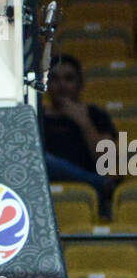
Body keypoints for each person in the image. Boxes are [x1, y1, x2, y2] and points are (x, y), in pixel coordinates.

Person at [42, 54, 116, 211]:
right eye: (55, 79)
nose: (62, 85)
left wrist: (83, 121)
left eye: (69, 79)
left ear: (80, 84)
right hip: (45, 189)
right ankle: (95, 181)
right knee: (43, 159)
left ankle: (94, 182)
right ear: (46, 84)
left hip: (89, 195)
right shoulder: (37, 117)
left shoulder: (96, 115)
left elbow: (108, 164)